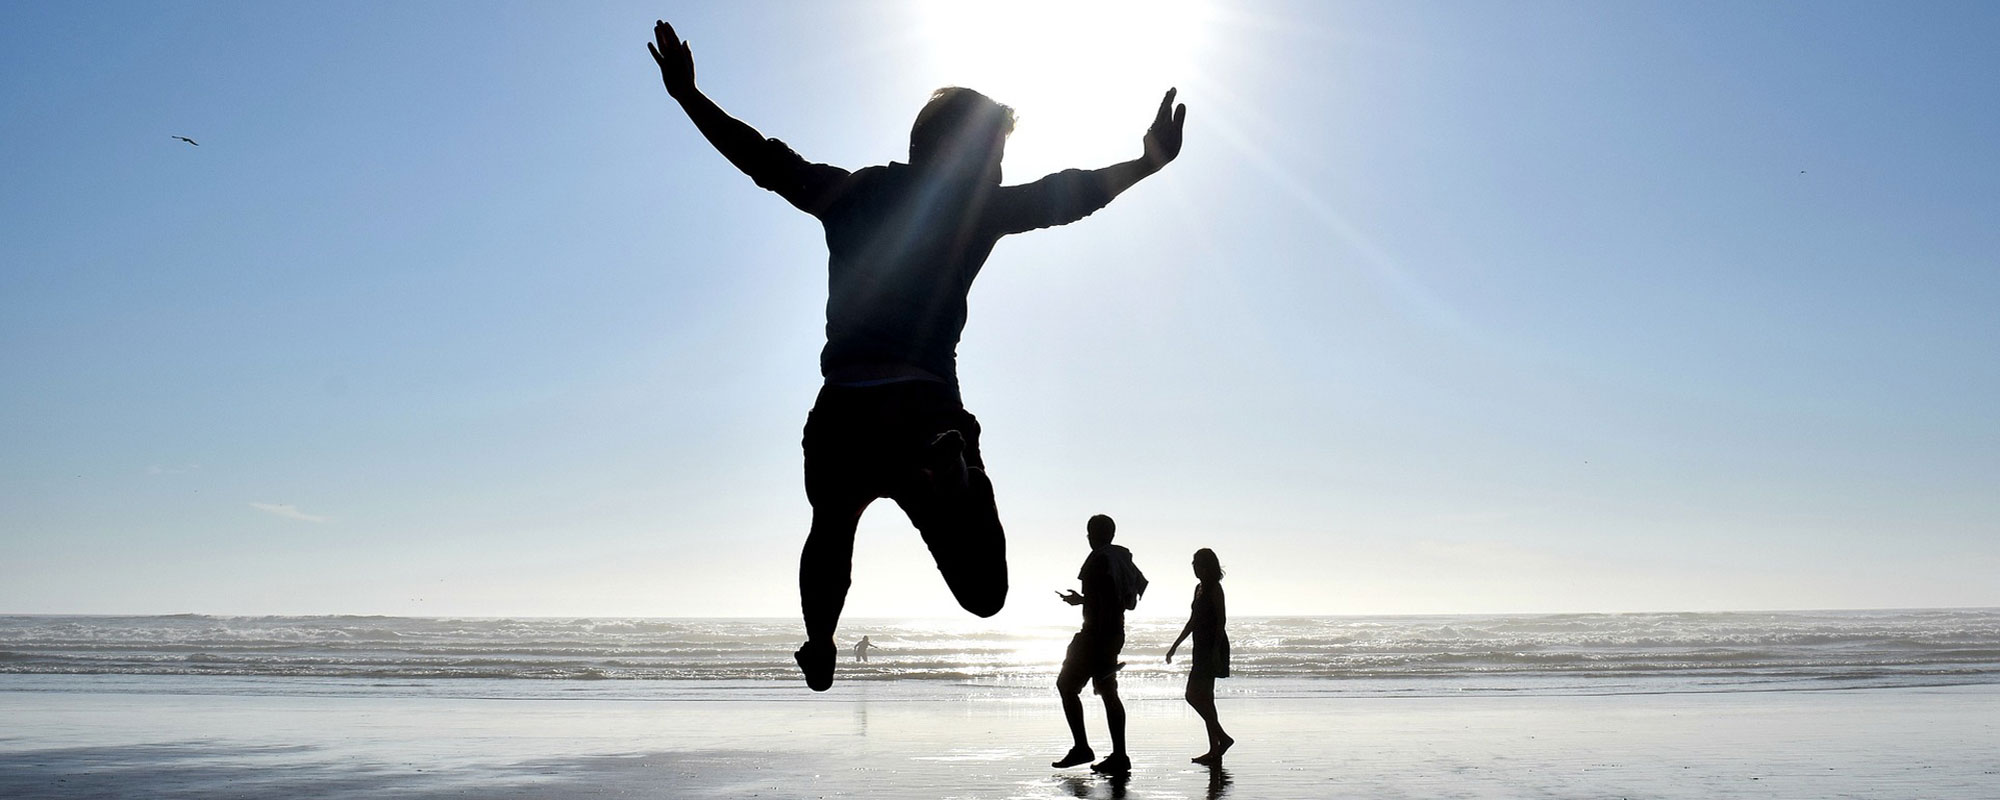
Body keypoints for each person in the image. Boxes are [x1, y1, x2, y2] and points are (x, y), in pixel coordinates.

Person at [647, 20, 1187, 692]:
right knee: (986, 592)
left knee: (830, 530)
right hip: (924, 407)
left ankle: (819, 642)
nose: (997, 170)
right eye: (992, 156)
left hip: (844, 406)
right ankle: (951, 471)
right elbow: (1068, 196)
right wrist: (1147, 163)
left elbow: (762, 157)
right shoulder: (977, 209)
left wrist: (688, 98)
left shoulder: (850, 193)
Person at [1053, 514, 1147, 774]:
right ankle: (1119, 755)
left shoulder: (1097, 560)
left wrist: (1087, 608)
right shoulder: (1122, 560)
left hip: (1096, 635)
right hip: (1115, 633)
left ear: (1091, 534)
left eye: (1089, 532)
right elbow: (1125, 601)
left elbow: (1101, 600)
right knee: (1108, 691)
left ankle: (1082, 747)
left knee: (1066, 686)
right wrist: (1083, 601)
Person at [1166, 548, 1233, 764]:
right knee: (1206, 698)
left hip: (1212, 646)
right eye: (1193, 563)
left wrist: (1214, 651)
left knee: (1193, 695)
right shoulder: (1199, 588)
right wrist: (1175, 645)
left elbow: (1221, 621)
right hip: (1200, 646)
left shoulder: (1215, 588)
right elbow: (1193, 620)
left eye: (1197, 563)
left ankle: (1222, 738)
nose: (1194, 567)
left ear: (1207, 566)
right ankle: (1215, 749)